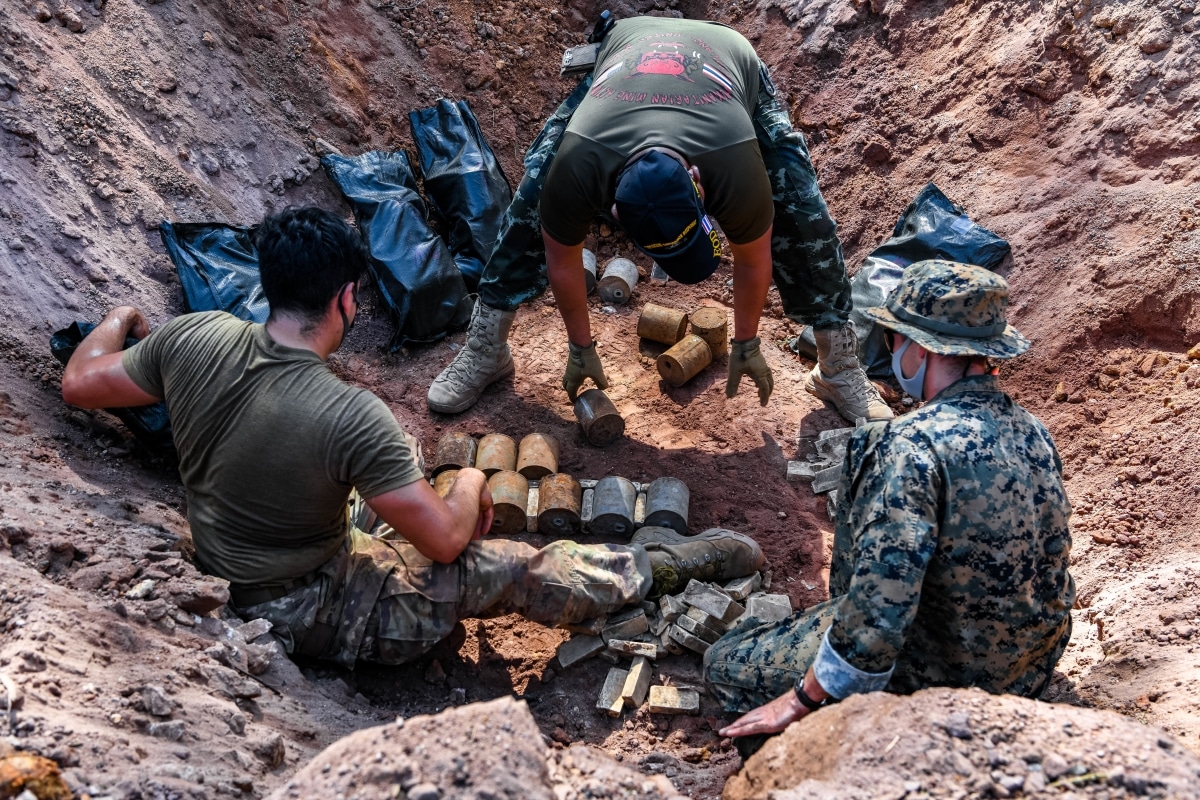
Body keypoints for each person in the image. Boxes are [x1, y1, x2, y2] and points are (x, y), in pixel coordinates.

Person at [60, 207, 764, 668]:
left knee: (401, 495)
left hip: (249, 538)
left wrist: (122, 314)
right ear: (344, 300)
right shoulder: (347, 414)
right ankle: (659, 569)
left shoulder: (191, 337)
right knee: (507, 562)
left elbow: (80, 382)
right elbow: (447, 542)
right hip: (294, 600)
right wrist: (470, 483)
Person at [427, 16, 892, 425]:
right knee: (532, 202)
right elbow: (562, 259)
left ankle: (838, 366)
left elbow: (753, 261)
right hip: (626, 58)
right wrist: (581, 348)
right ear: (611, 209)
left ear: (699, 182)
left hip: (723, 59)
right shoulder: (579, 166)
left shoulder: (733, 164)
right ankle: (487, 347)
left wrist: (746, 342)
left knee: (802, 209)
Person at [704, 260, 1075, 741]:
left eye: (895, 339)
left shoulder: (912, 447)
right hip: (1027, 670)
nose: (892, 350)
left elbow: (881, 611)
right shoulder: (1034, 431)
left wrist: (803, 698)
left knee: (725, 663)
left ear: (920, 350)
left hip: (941, 681)